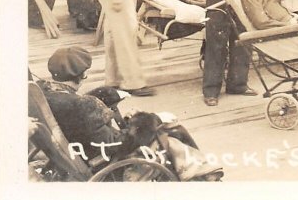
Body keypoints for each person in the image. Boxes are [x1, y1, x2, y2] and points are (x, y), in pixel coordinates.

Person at [38, 46, 223, 180]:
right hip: (101, 160)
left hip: (77, 151)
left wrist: (108, 95)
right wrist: (148, 120)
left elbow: (82, 117)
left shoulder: (48, 94)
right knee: (171, 130)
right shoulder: (81, 106)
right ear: (79, 76)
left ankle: (198, 170)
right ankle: (202, 175)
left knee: (165, 128)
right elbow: (118, 144)